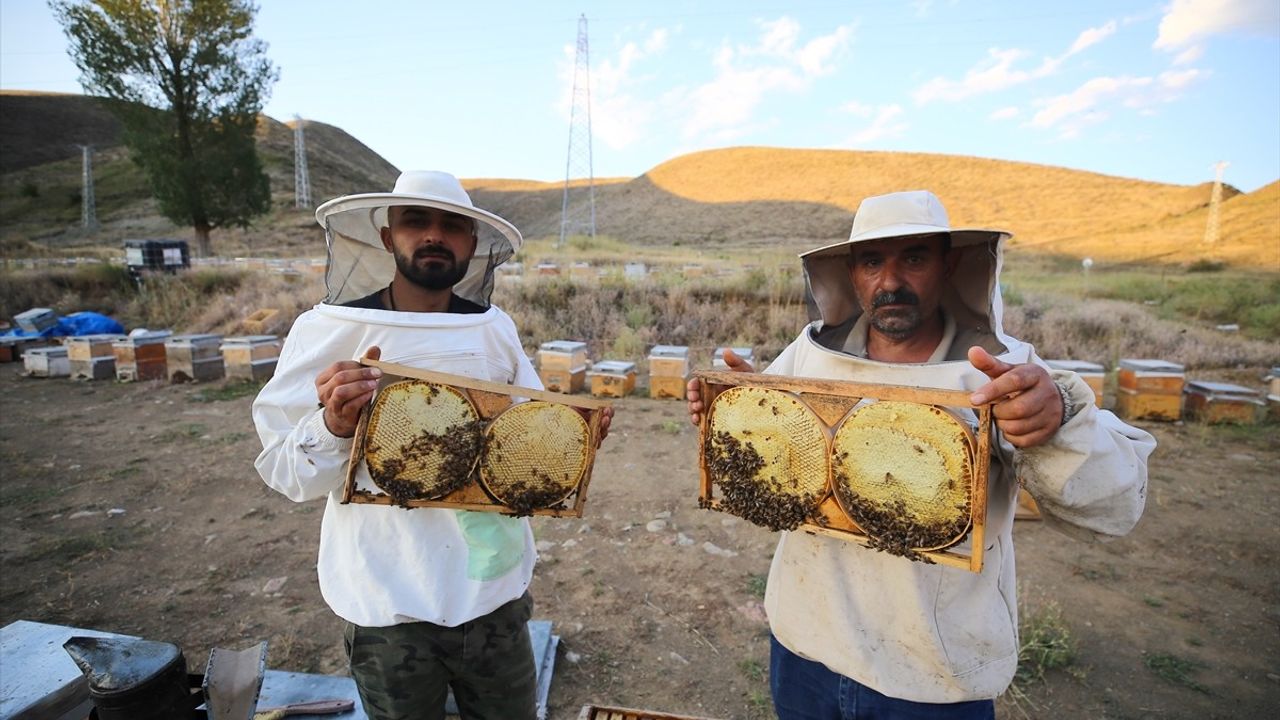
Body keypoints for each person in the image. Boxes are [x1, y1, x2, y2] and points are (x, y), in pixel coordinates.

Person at [687, 190, 1155, 719]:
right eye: (872, 262)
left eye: (913, 257)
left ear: (949, 263)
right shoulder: (810, 354)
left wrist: (1057, 422)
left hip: (929, 675)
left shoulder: (1003, 371)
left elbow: (1112, 509)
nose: (890, 283)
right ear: (851, 272)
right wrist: (741, 412)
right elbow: (773, 469)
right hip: (806, 643)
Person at [253, 170, 610, 720]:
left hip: (493, 599)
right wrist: (334, 425)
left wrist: (572, 442)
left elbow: (527, 440)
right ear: (386, 236)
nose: (433, 235)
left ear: (472, 243)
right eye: (416, 221)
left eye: (452, 225)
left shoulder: (494, 329)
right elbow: (286, 471)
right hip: (389, 606)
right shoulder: (327, 330)